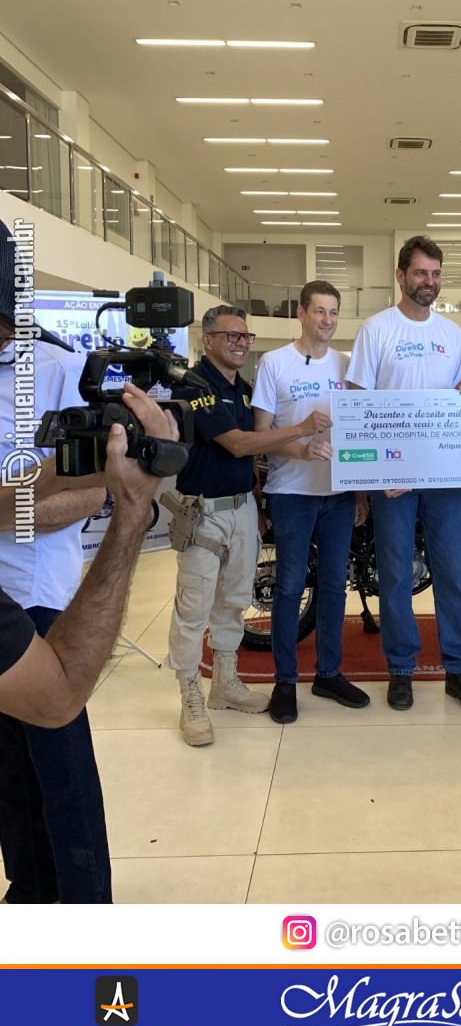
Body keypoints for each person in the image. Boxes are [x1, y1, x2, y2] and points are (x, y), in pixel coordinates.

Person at [1, 217, 110, 904]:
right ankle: (30, 891)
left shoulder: (62, 370)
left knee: (62, 768)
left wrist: (9, 509)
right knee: (7, 769)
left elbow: (93, 491)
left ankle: (84, 908)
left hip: (43, 597)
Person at [164, 304, 333, 746]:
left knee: (234, 600)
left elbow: (252, 460)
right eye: (231, 335)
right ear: (209, 340)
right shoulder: (196, 386)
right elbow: (239, 444)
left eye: (245, 336)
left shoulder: (243, 389)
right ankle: (190, 697)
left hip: (240, 509)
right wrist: (296, 429)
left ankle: (224, 683)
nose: (240, 343)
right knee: (193, 607)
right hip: (202, 511)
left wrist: (256, 501)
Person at [346, 235, 461, 714]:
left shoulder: (451, 333)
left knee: (452, 572)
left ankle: (459, 669)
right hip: (393, 473)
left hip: (443, 472)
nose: (428, 282)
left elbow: (453, 398)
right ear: (401, 276)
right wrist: (367, 481)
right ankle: (402, 668)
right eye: (420, 273)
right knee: (395, 573)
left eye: (435, 273)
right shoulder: (376, 329)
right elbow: (357, 401)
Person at [0, 384, 178, 728]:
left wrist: (58, 470)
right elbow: (58, 700)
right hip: (35, 607)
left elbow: (91, 497)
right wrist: (133, 506)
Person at [252, 281, 370, 724]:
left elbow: (359, 430)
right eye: (319, 311)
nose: (327, 320)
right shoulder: (274, 363)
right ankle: (286, 681)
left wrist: (359, 491)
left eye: (333, 312)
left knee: (335, 586)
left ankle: (328, 672)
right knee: (288, 587)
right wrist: (300, 441)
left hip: (338, 495)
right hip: (292, 495)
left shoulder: (346, 365)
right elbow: (261, 436)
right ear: (300, 313)